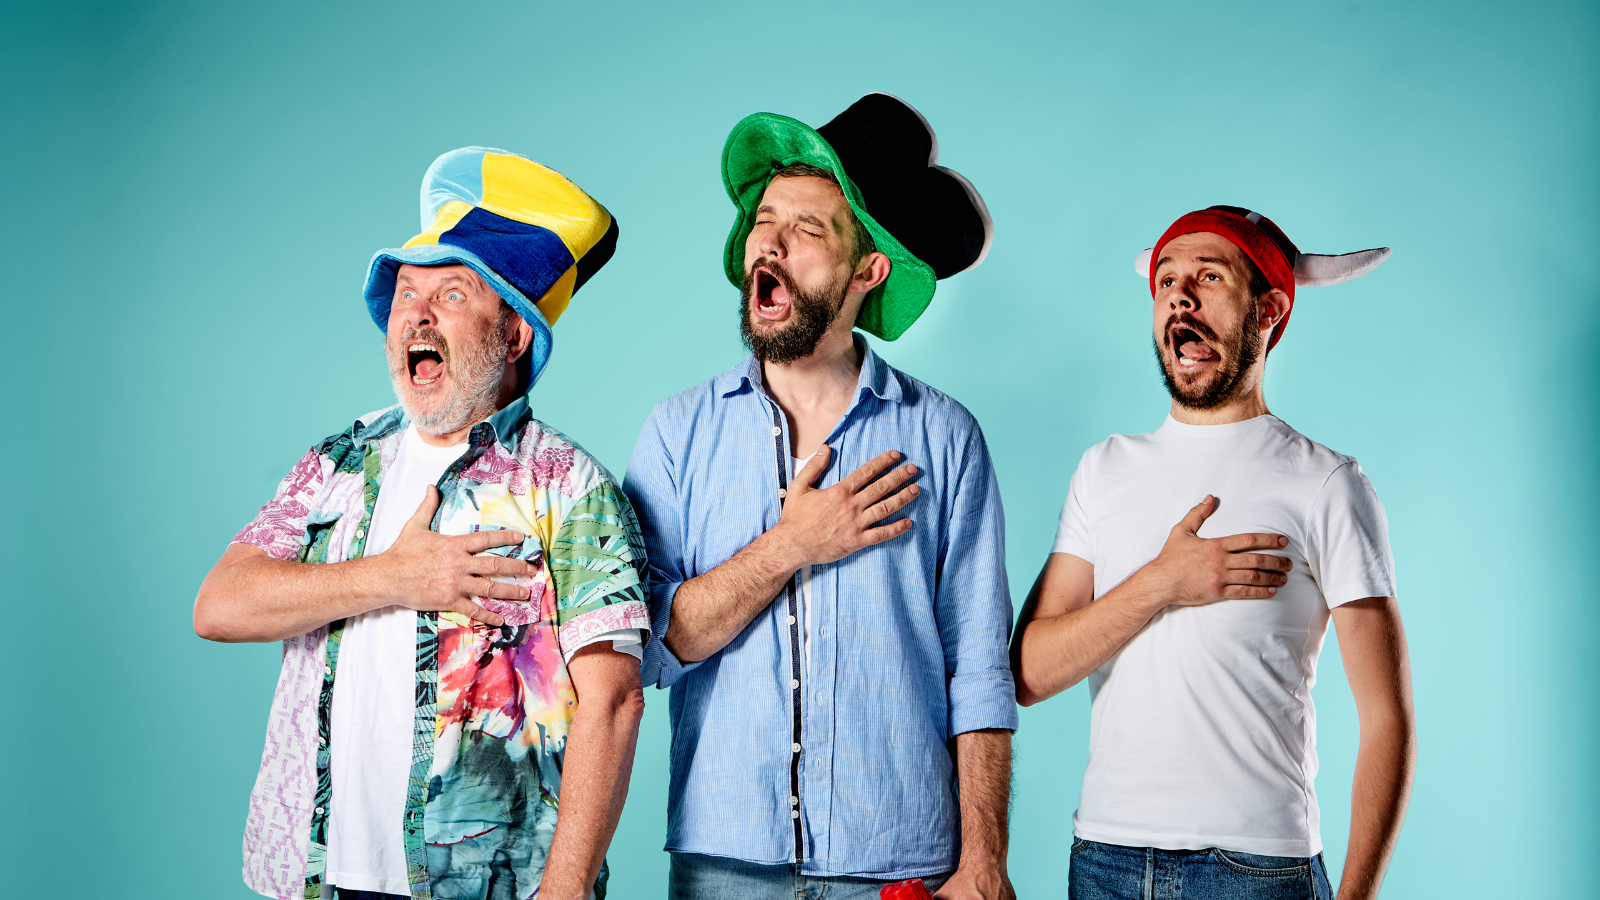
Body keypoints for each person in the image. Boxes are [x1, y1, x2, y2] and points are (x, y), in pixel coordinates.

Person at [193, 147, 650, 900]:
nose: (418, 313)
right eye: (407, 293)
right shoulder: (338, 464)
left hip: (491, 884)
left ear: (513, 336)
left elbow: (614, 700)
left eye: (452, 293)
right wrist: (397, 577)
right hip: (320, 874)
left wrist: (565, 891)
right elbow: (220, 606)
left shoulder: (569, 486)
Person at [623, 94, 1017, 900]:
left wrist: (984, 863)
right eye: (764, 220)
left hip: (898, 863)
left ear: (867, 269)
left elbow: (979, 669)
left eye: (807, 230)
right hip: (724, 868)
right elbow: (651, 647)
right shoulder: (675, 433)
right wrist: (791, 545)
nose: (769, 242)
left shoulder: (944, 437)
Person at [1012, 206, 1415, 900]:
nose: (1180, 296)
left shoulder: (1325, 482)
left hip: (1258, 870)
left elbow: (1387, 717)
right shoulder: (1103, 469)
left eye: (1208, 276)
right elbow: (1029, 672)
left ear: (1269, 309)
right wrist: (1162, 584)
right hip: (1106, 862)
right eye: (1166, 280)